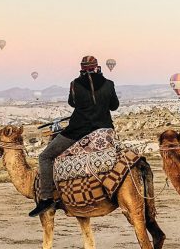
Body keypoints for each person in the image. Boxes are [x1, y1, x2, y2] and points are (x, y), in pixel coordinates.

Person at [28, 55, 119, 217]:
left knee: (45, 157)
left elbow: (72, 103)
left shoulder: (75, 85)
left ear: (81, 68)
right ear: (97, 66)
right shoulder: (109, 84)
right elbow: (114, 106)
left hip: (79, 130)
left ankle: (46, 197)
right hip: (104, 132)